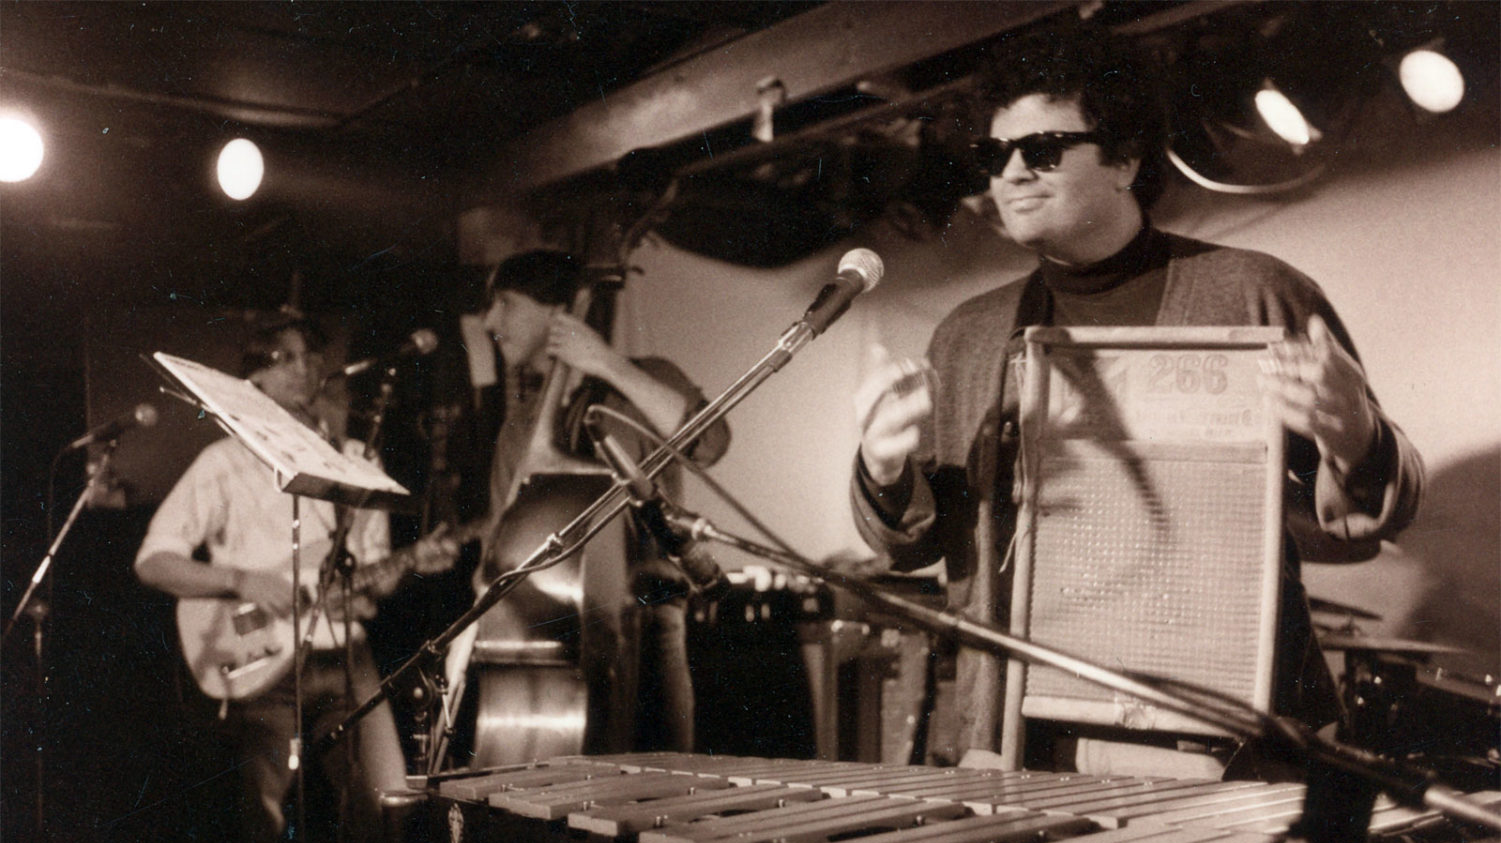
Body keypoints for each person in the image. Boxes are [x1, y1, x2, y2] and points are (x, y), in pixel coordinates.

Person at [850, 25, 1423, 774]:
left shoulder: (1252, 293)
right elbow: (912, 546)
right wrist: (884, 471)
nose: (1012, 173)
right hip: (1016, 737)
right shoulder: (967, 336)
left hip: (1223, 735)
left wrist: (1356, 440)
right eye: (995, 156)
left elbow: (1358, 527)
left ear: (1124, 159)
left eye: (1044, 149)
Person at [134, 317, 456, 843]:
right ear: (251, 379)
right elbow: (154, 562)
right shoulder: (222, 461)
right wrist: (240, 579)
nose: (305, 368)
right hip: (260, 661)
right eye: (286, 358)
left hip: (347, 653)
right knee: (269, 829)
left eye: (312, 355)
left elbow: (365, 582)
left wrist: (404, 568)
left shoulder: (357, 459)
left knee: (386, 810)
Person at [470, 249, 730, 755]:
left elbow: (713, 441)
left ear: (558, 313)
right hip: (550, 642)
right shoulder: (519, 428)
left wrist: (607, 364)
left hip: (650, 623)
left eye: (505, 302)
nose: (489, 320)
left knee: (658, 799)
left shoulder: (645, 377)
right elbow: (498, 548)